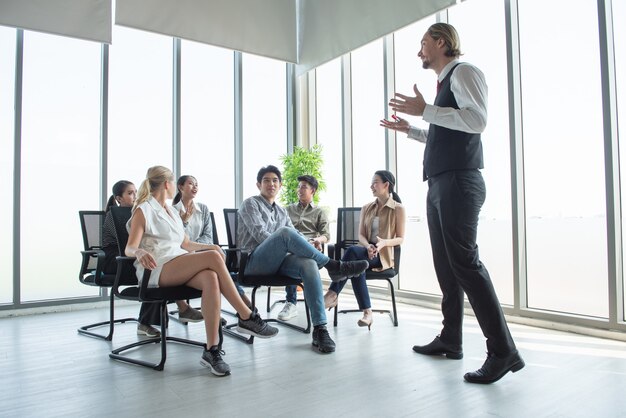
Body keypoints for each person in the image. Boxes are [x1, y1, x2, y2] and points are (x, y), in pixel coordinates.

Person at [380, 22, 524, 384]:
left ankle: (503, 351)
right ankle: (451, 338)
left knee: (465, 264)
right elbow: (446, 129)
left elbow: (477, 121)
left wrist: (425, 110)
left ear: (442, 42)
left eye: (424, 44)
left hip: (460, 181)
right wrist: (411, 129)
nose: (419, 52)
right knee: (446, 266)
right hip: (441, 183)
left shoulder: (465, 72)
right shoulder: (444, 84)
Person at [125, 166, 278, 376]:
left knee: (211, 278)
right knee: (214, 259)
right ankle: (246, 315)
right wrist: (140, 252)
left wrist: (210, 246)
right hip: (156, 268)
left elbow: (186, 244)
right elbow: (129, 247)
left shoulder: (171, 211)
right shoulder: (144, 210)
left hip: (178, 261)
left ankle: (212, 350)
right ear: (168, 185)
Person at [237, 165, 369, 353]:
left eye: (275, 180)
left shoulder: (281, 211)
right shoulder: (250, 203)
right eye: (266, 180)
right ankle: (333, 265)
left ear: (281, 185)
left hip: (278, 262)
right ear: (258, 184)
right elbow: (262, 235)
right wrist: (289, 242)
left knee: (308, 263)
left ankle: (320, 328)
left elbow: (297, 234)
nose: (271, 184)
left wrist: (308, 245)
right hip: (254, 263)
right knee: (284, 233)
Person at [324, 170, 405, 330]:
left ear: (386, 185)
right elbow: (361, 235)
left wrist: (383, 244)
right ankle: (368, 312)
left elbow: (400, 238)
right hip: (366, 252)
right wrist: (368, 246)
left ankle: (333, 293)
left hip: (383, 256)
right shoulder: (367, 208)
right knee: (357, 262)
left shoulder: (398, 209)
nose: (371, 186)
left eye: (375, 182)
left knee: (354, 259)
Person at [172, 174, 252, 308]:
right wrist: (185, 224)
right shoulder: (172, 211)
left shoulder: (202, 209)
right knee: (218, 270)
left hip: (200, 253)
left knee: (215, 270)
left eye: (196, 184)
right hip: (182, 256)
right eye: (191, 184)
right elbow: (178, 240)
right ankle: (244, 306)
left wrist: (195, 247)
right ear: (180, 187)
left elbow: (208, 236)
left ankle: (217, 311)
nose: (195, 187)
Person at [102, 180, 162, 338]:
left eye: (135, 192)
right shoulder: (112, 215)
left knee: (159, 266)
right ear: (118, 198)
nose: (135, 196)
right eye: (130, 193)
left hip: (131, 257)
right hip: (116, 260)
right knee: (153, 269)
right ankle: (145, 322)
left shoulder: (137, 212)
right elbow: (127, 243)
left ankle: (148, 321)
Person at [279, 175, 330, 321]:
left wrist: (317, 240)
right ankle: (291, 302)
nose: (299, 190)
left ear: (312, 190)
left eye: (303, 187)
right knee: (290, 252)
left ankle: (292, 303)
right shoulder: (287, 210)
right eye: (299, 186)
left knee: (301, 255)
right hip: (289, 247)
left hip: (309, 245)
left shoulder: (319, 212)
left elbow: (326, 235)